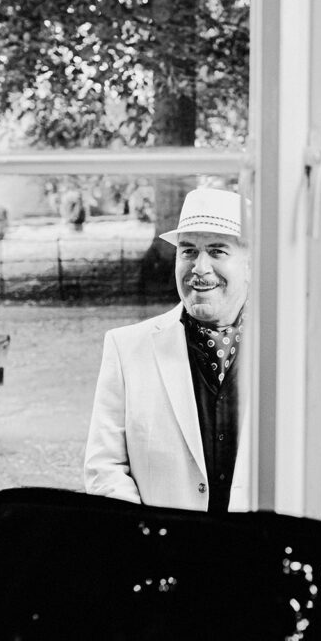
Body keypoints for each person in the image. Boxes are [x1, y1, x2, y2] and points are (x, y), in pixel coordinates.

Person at [84, 187, 250, 513]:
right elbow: (104, 469)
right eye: (188, 251)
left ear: (250, 264)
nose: (200, 268)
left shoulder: (285, 352)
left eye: (217, 251)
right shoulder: (125, 347)